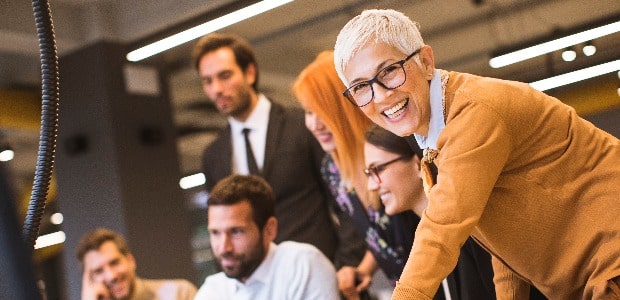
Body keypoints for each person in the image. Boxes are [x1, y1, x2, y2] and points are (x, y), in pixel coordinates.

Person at [333, 8, 620, 299]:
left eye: (390, 71)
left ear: (426, 62)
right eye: (360, 87)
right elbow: (505, 238)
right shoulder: (435, 135)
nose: (380, 95)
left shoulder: (474, 113)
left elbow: (441, 228)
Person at [192, 32, 361, 271]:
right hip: (259, 285)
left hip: (322, 272)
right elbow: (221, 227)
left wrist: (348, 264)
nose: (216, 89)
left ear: (250, 73)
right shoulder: (214, 155)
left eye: (225, 76)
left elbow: (346, 199)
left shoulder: (303, 125)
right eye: (207, 81)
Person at [292, 50, 439, 300]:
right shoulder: (332, 171)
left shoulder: (391, 148)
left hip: (440, 278)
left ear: (343, 108)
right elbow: (377, 233)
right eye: (308, 112)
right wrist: (363, 268)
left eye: (321, 112)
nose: (314, 125)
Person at [364, 124, 549, 300]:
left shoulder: (473, 234)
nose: (371, 185)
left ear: (417, 164)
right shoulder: (419, 241)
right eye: (368, 174)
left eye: (378, 169)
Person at [194, 174, 339, 299]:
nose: (224, 247)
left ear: (269, 230)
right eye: (215, 233)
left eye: (236, 232)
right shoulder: (214, 289)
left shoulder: (301, 264)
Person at [76, 228, 197, 300]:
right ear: (88, 281)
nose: (111, 276)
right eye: (98, 271)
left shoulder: (180, 293)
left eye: (114, 263)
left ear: (130, 260)